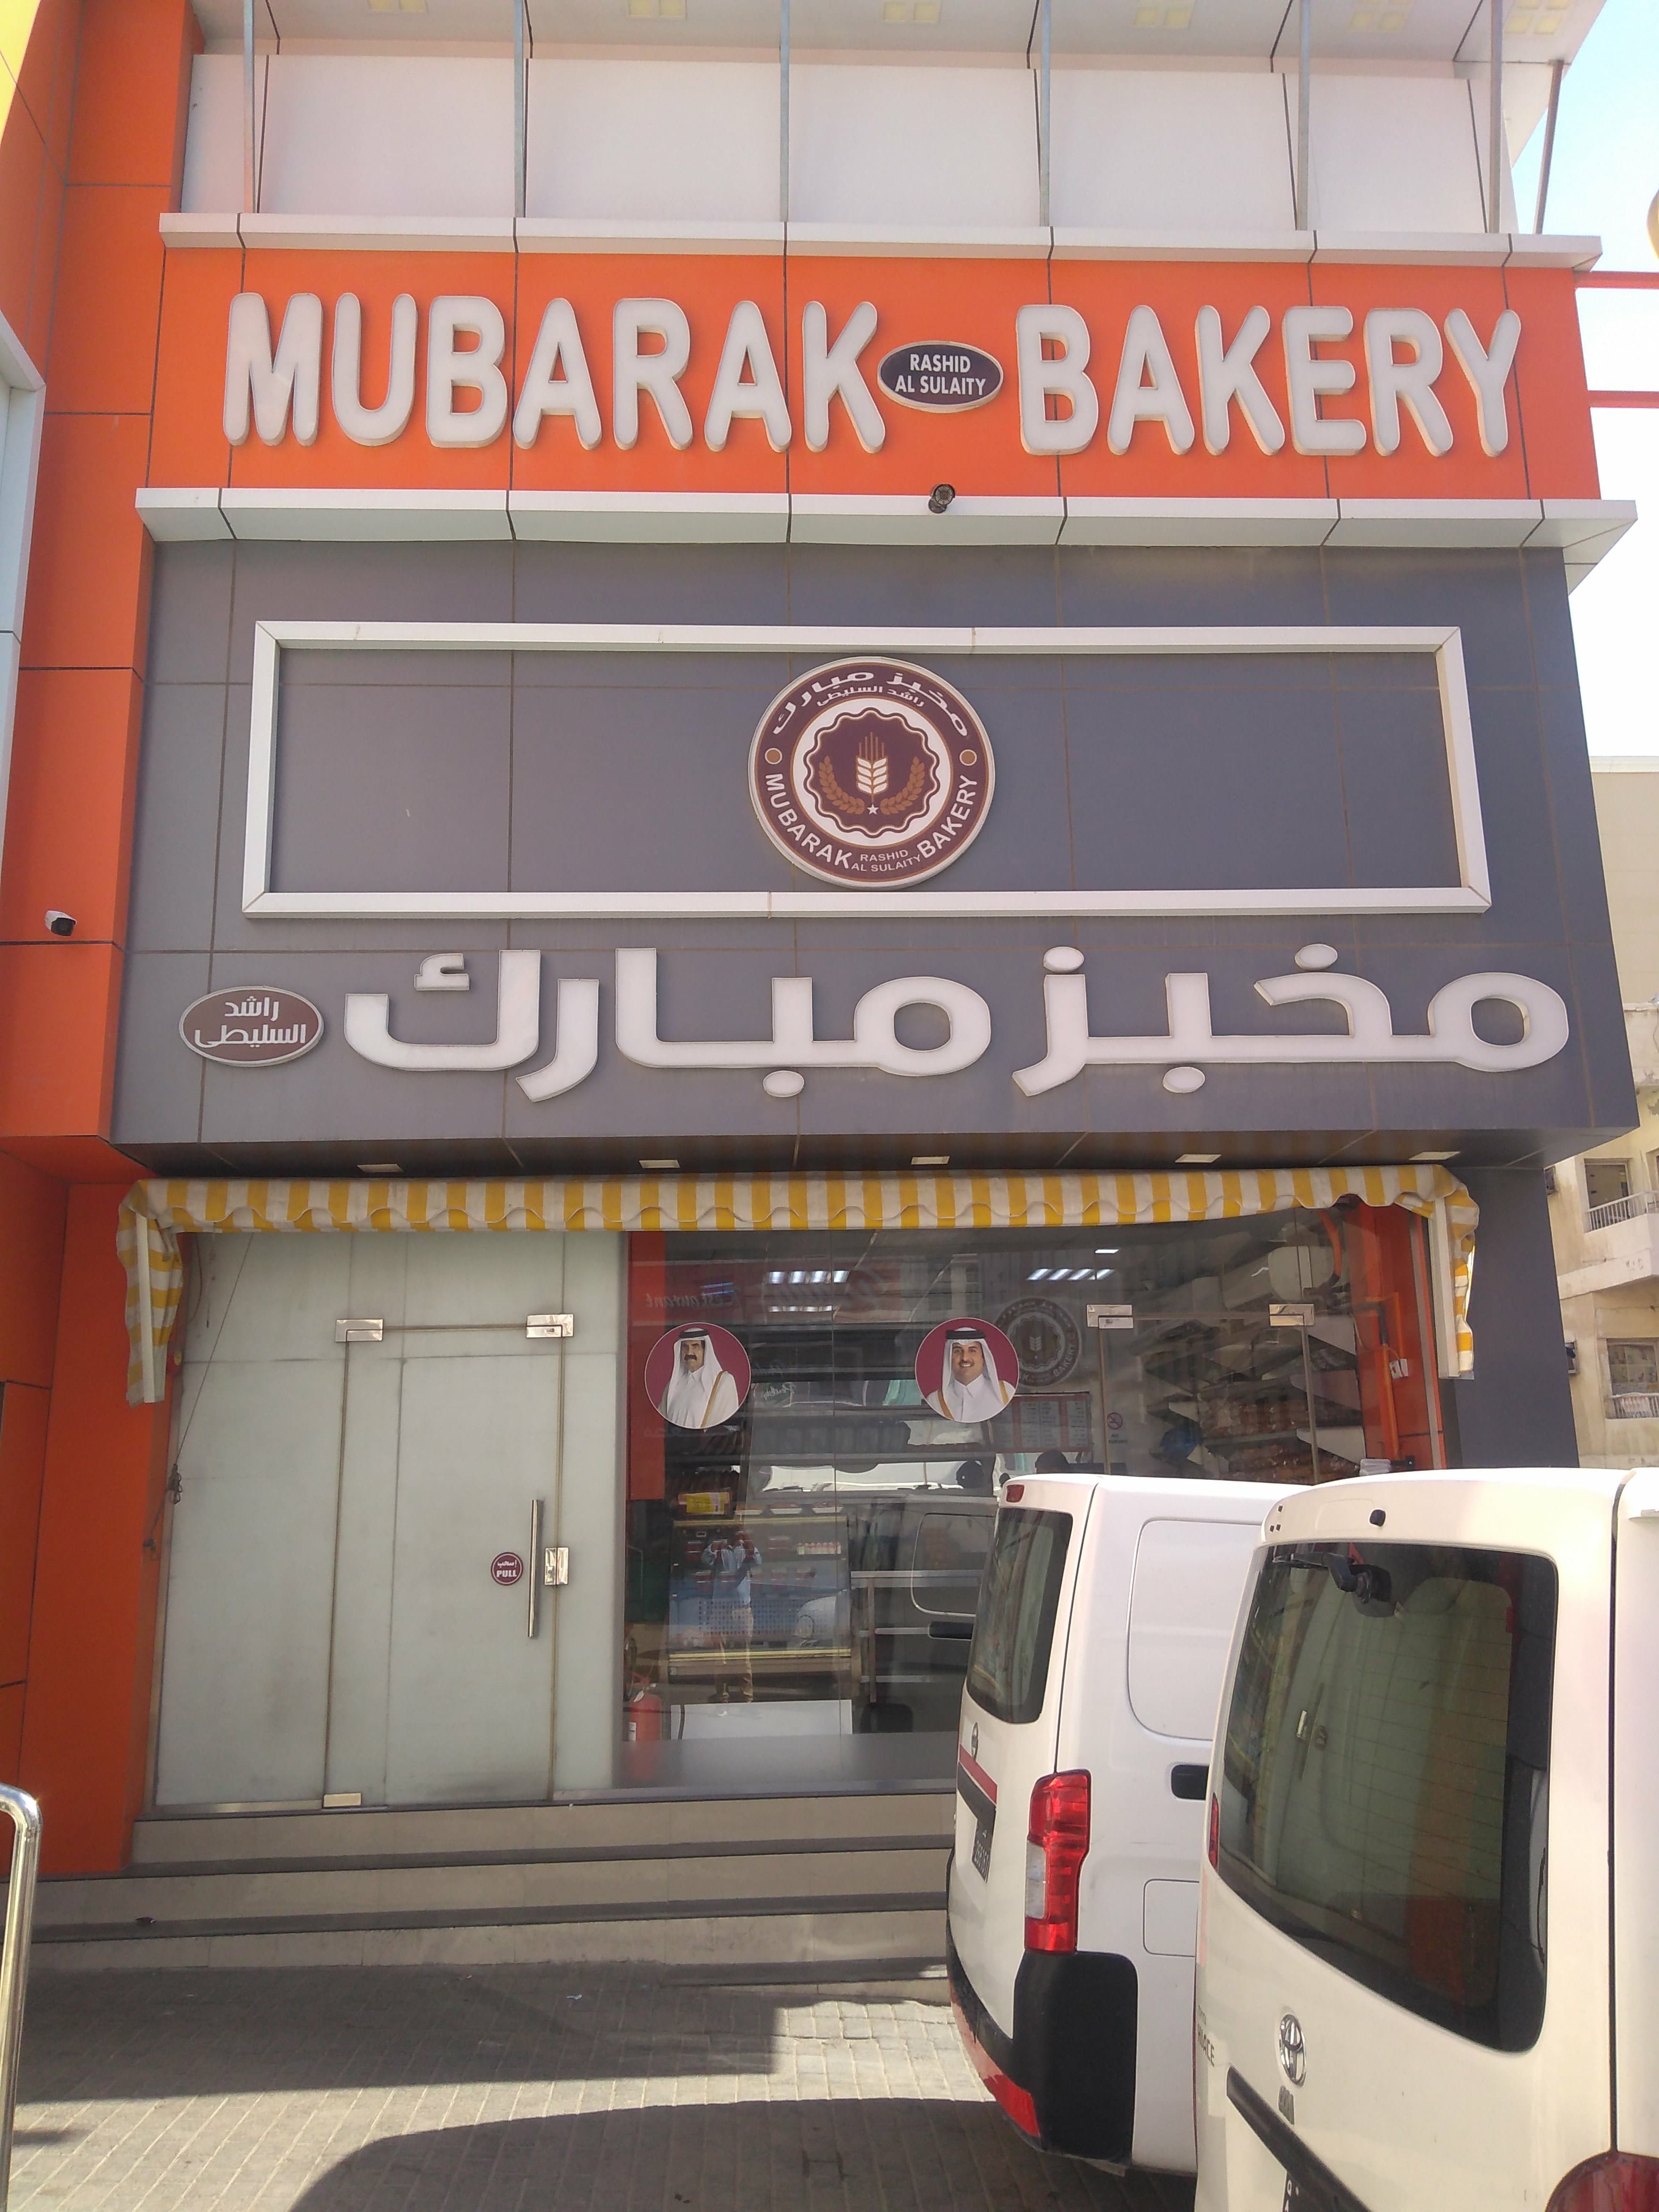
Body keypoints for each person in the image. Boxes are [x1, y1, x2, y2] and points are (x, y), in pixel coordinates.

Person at [701, 1526, 761, 1702]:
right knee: (720, 1656)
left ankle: (747, 1696)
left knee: (744, 1656)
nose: (735, 1535)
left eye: (738, 1531)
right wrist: (717, 1543)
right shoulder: (720, 1549)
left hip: (742, 1609)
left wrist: (747, 1538)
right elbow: (705, 1559)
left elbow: (757, 1560)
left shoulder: (745, 1549)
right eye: (732, 1531)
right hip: (721, 1608)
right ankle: (723, 1696)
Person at [925, 1327, 1015, 1423]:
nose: (965, 1358)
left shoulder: (1006, 1392)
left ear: (984, 1358)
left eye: (972, 1351)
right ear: (950, 1359)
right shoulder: (935, 1400)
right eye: (958, 1351)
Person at [661, 1328, 741, 1430]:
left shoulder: (724, 1383)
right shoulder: (673, 1385)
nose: (689, 1352)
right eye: (685, 1347)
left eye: (695, 1346)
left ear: (705, 1350)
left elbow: (727, 1428)